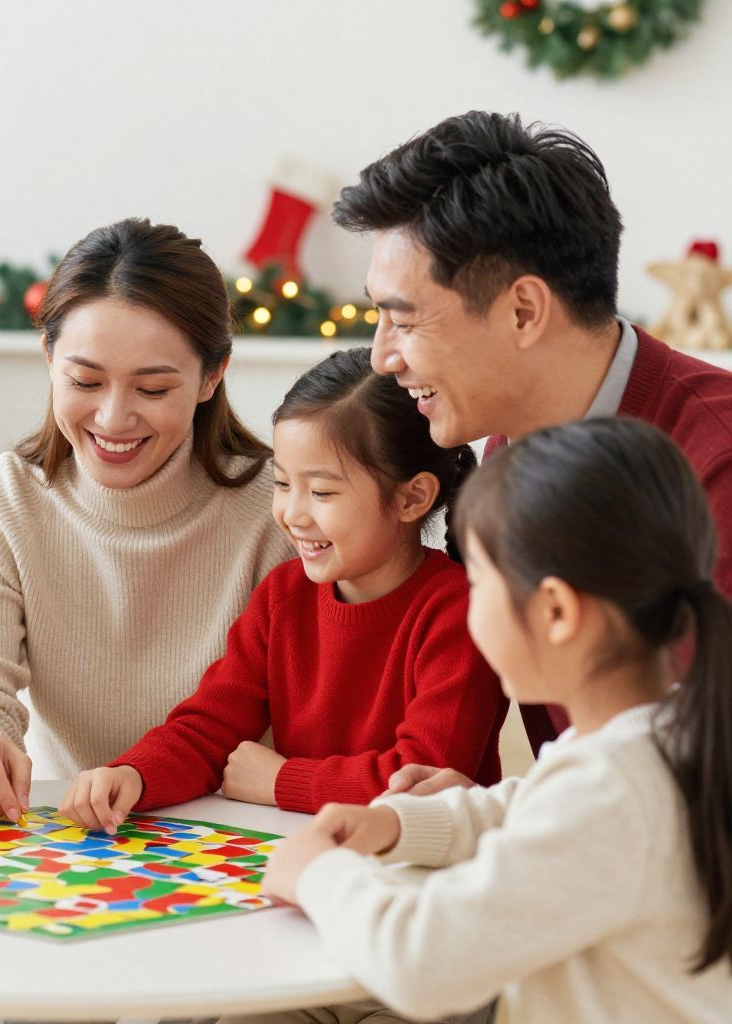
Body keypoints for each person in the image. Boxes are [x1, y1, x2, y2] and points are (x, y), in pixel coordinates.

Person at [262, 418, 732, 1023]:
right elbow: (526, 806)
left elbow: (422, 961)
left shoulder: (612, 788)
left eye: (479, 583)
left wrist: (318, 876)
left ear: (556, 612)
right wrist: (398, 824)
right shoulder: (656, 737)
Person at [334, 109, 732, 753]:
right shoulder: (501, 450)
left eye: (403, 321)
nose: (382, 358)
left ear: (523, 311)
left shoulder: (717, 461)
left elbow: (691, 771)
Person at [0, 217, 295, 820]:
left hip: (236, 835)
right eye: (85, 380)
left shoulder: (280, 511)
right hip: (71, 842)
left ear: (212, 376)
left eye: (152, 390)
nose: (113, 419)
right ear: (49, 357)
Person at [60, 347, 505, 830]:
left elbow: (424, 782)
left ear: (412, 497)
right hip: (312, 855)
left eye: (322, 492)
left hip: (429, 871)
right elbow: (210, 729)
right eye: (282, 484)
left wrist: (280, 780)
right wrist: (134, 773)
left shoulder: (461, 611)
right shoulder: (284, 594)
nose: (292, 514)